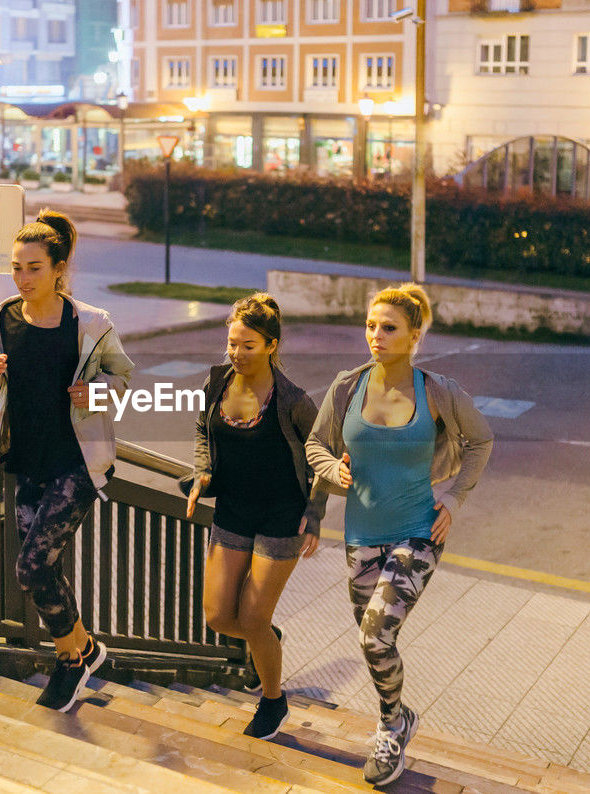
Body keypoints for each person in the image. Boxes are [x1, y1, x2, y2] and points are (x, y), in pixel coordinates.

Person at [305, 284, 493, 785]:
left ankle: (390, 729)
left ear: (414, 336)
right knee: (374, 644)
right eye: (370, 325)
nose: (376, 336)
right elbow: (314, 444)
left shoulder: (438, 391)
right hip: (361, 534)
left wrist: (453, 498)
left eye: (388, 328)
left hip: (418, 531)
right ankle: (400, 715)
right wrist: (330, 469)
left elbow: (481, 440)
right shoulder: (347, 386)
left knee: (375, 632)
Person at [0, 210, 134, 712]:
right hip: (26, 461)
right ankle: (85, 649)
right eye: (17, 267)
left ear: (59, 269)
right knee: (47, 569)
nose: (22, 278)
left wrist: (98, 392)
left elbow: (124, 382)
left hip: (76, 463)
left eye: (34, 268)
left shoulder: (89, 324)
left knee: (30, 566)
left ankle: (70, 662)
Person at [181, 294, 326, 740]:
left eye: (248, 346)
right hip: (233, 510)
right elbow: (203, 429)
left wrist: (316, 515)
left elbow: (321, 456)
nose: (236, 353)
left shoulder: (293, 400)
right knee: (219, 617)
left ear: (270, 345)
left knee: (253, 619)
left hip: (281, 516)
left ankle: (272, 699)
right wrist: (202, 472)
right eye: (232, 343)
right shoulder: (216, 383)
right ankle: (265, 638)